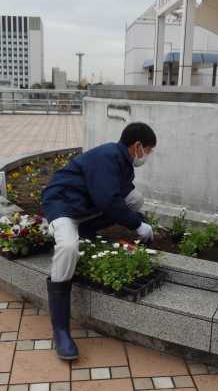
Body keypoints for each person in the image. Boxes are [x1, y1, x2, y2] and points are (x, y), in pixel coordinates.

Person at [41, 122, 157, 360]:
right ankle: (61, 330)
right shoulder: (107, 158)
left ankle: (85, 230)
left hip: (84, 206)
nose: (148, 155)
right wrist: (138, 225)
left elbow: (124, 195)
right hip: (63, 204)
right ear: (137, 146)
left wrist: (137, 217)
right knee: (68, 247)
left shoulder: (123, 162)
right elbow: (108, 201)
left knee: (135, 199)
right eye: (149, 149)